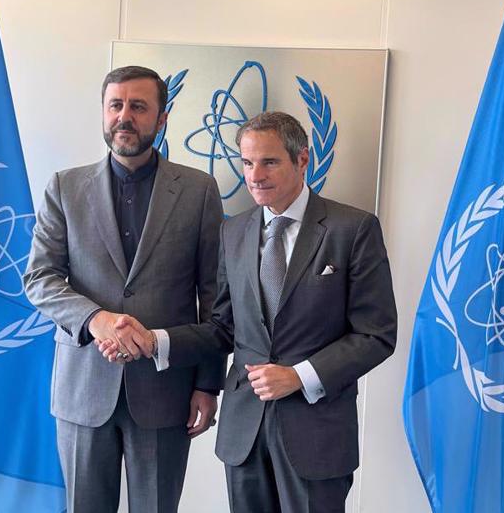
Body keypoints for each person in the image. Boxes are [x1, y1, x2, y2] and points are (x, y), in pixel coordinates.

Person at [100, 111, 398, 513]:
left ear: (302, 160)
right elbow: (223, 328)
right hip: (245, 433)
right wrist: (155, 341)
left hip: (317, 434)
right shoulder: (234, 231)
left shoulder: (354, 228)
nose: (254, 174)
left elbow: (376, 334)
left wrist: (298, 376)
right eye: (246, 162)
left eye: (269, 161)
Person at [23, 65, 225, 512]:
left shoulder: (199, 191)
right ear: (103, 112)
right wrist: (97, 319)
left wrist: (208, 385)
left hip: (166, 391)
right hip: (83, 390)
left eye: (138, 106)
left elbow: (215, 298)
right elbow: (39, 278)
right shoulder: (65, 187)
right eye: (115, 105)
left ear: (162, 117)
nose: (124, 116)